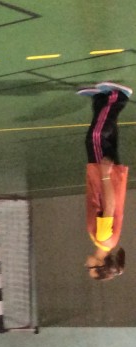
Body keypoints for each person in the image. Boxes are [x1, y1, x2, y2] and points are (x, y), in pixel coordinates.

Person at [79, 82, 131, 281]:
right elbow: (109, 206)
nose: (87, 266)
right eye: (90, 269)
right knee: (96, 137)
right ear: (100, 264)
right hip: (104, 179)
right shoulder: (103, 239)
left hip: (106, 178)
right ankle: (119, 97)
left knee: (106, 138)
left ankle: (101, 99)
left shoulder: (103, 241)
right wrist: (105, 175)